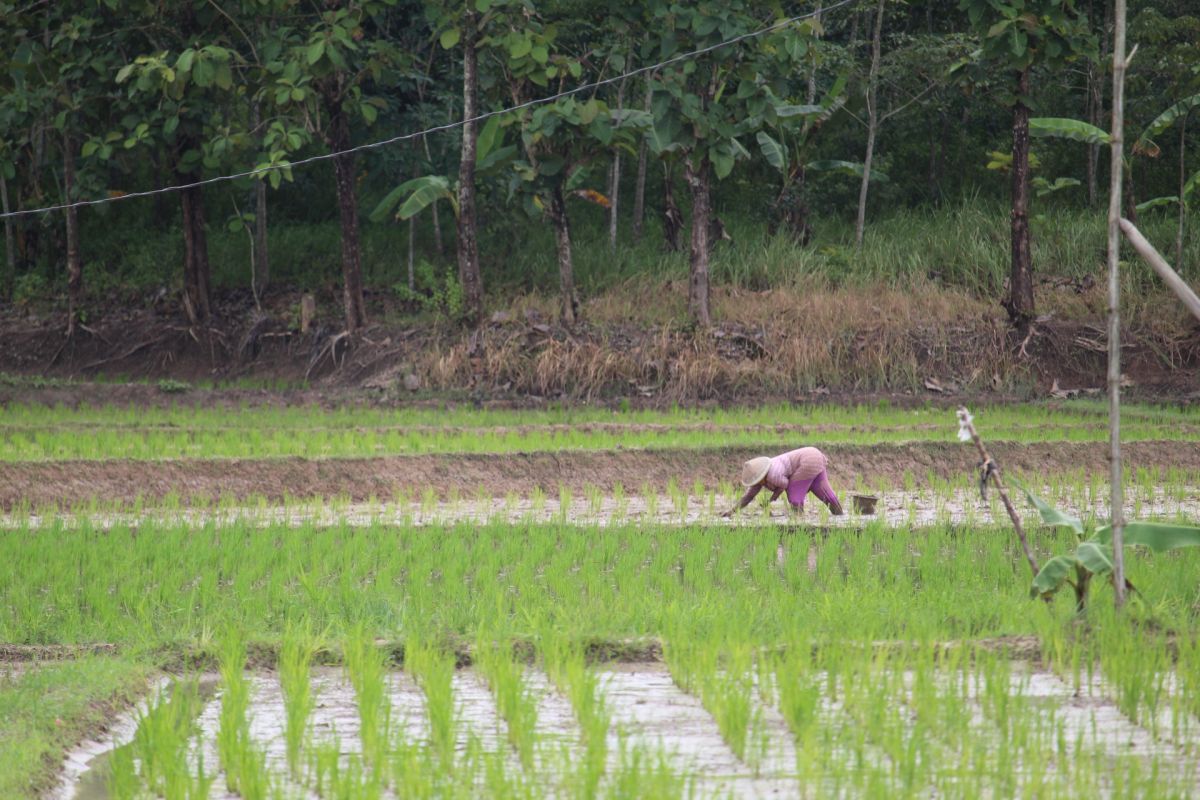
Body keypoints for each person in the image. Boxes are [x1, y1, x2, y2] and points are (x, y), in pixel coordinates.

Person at [722, 446, 844, 517]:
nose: (757, 483)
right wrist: (731, 512)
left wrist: (772, 499)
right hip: (814, 454)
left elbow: (785, 484)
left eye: (757, 480)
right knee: (826, 494)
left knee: (794, 495)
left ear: (761, 476)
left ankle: (799, 523)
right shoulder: (761, 478)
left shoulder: (772, 473)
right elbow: (747, 497)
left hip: (807, 460)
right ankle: (840, 516)